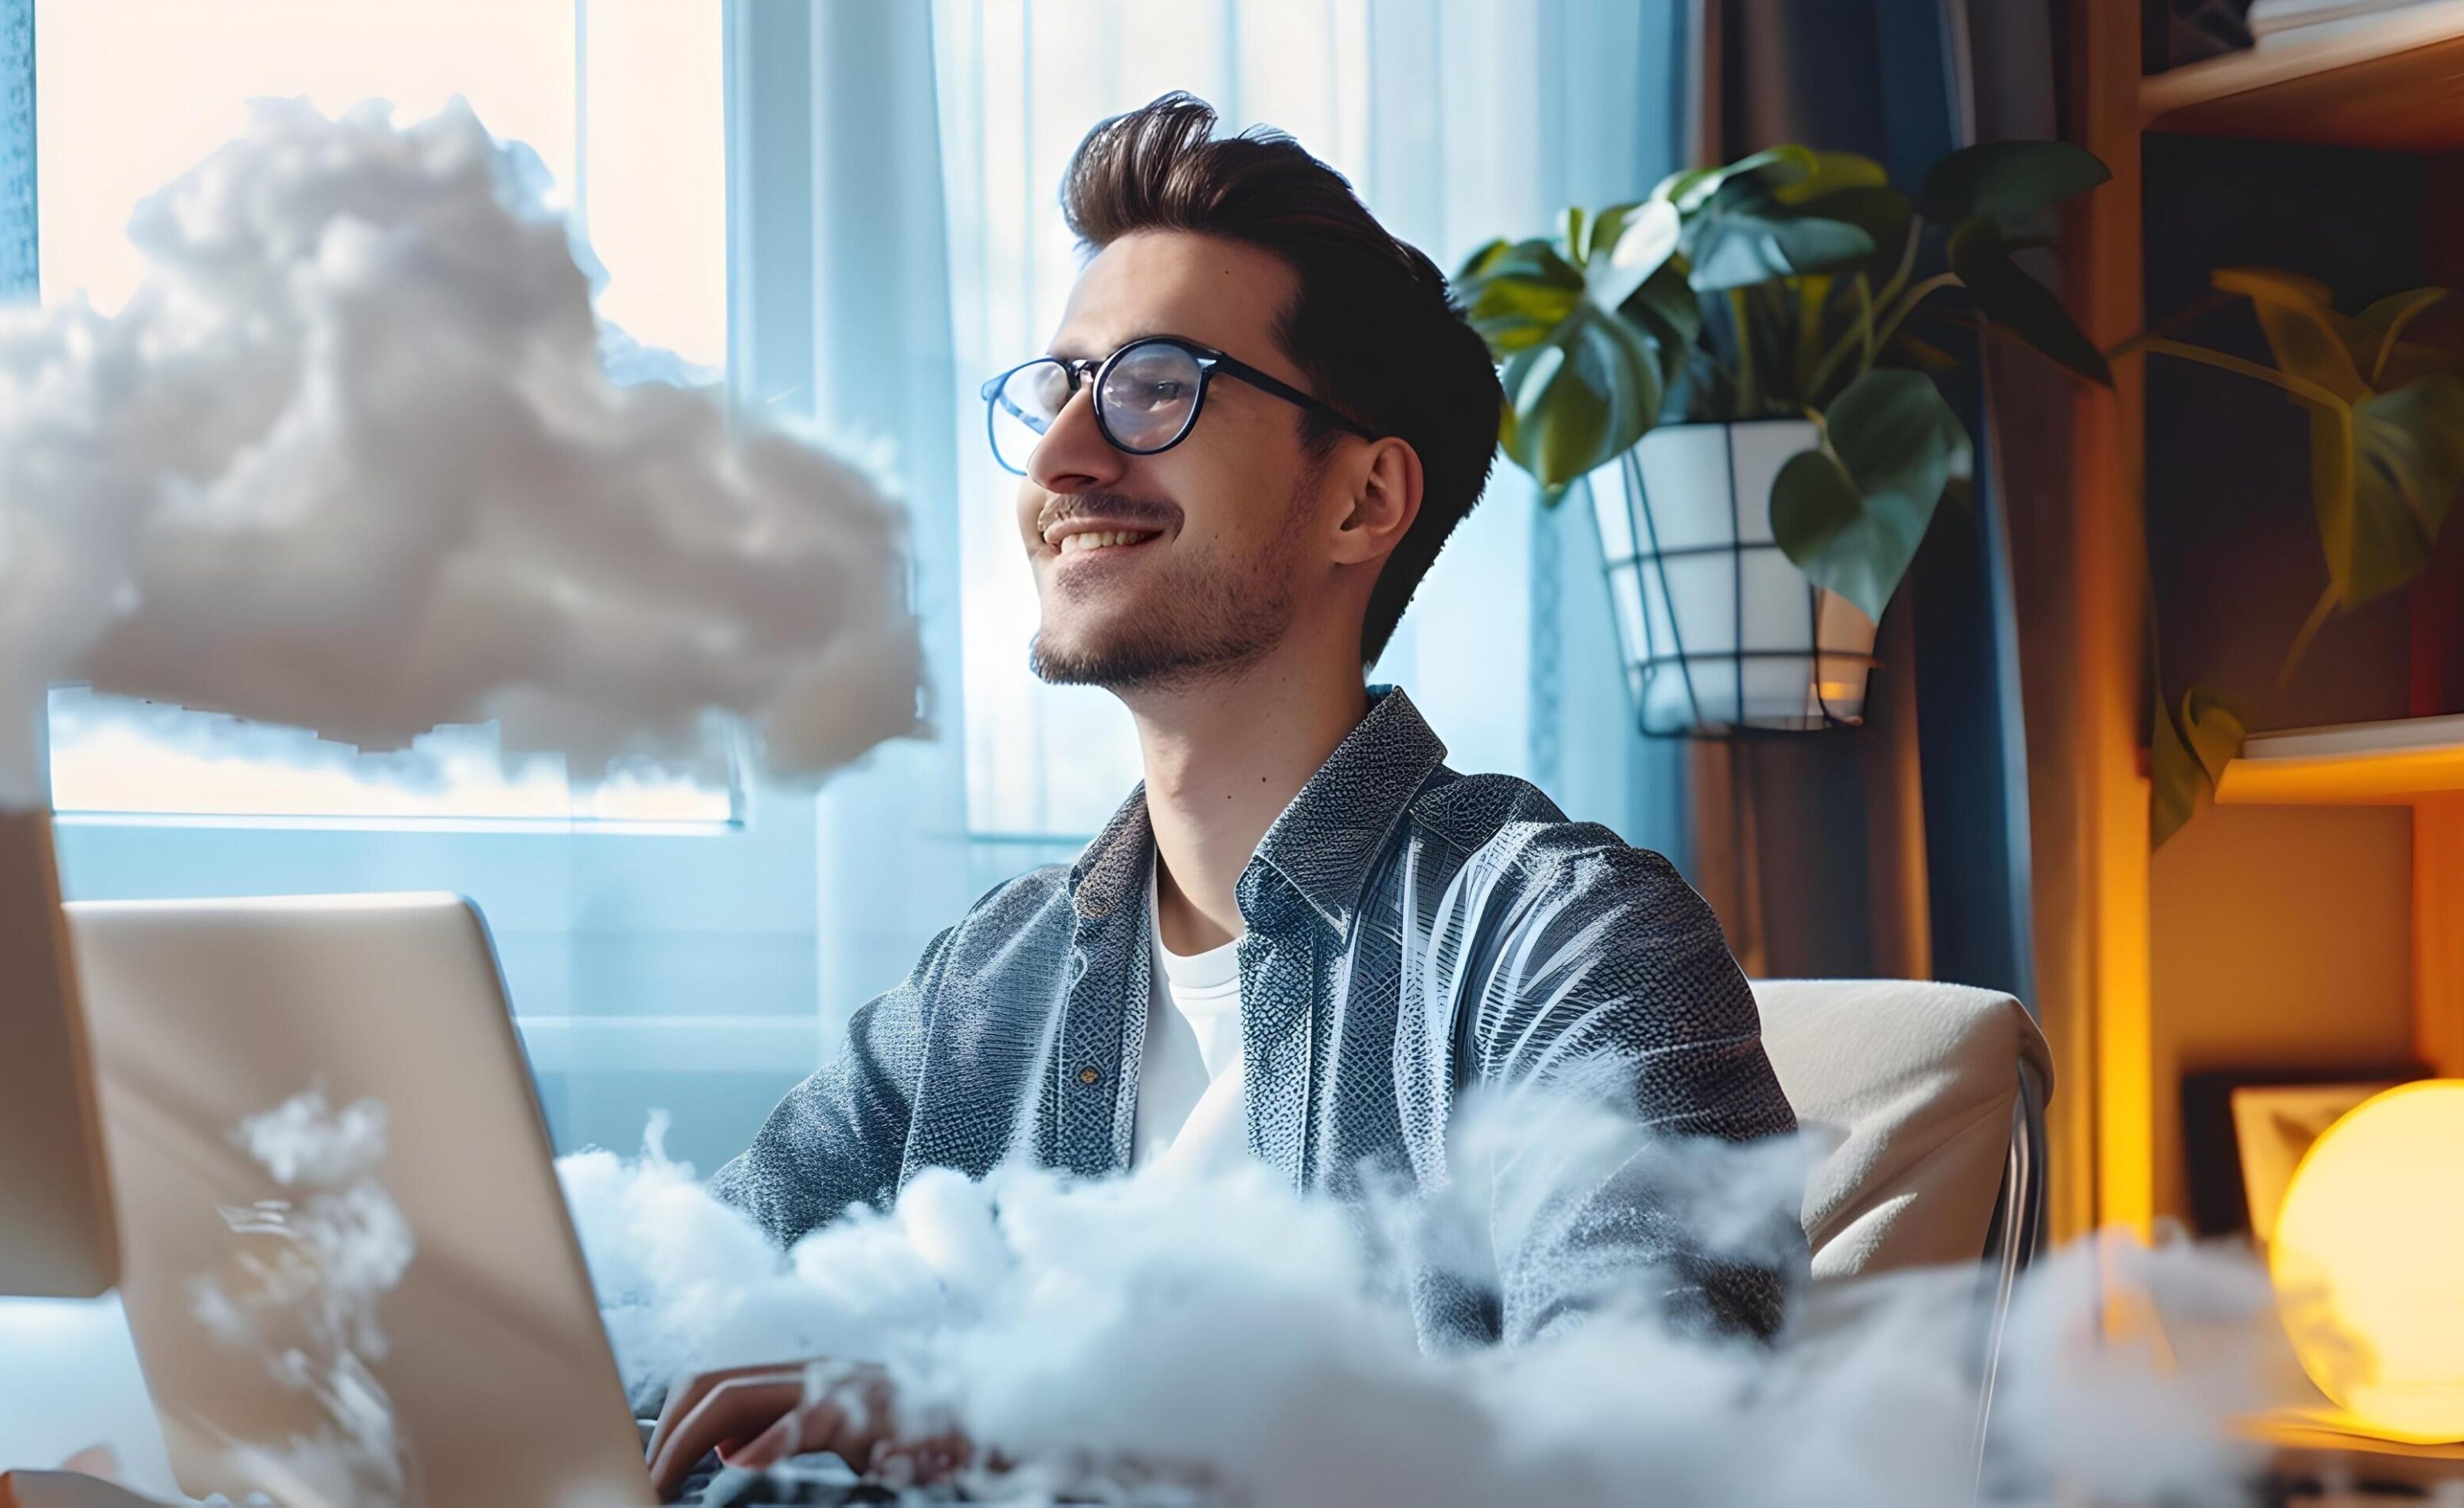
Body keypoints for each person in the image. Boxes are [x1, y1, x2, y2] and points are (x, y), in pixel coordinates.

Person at [655, 92, 1805, 1494]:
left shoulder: (1569, 949)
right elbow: (686, 1342)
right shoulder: (981, 990)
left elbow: (1642, 1448)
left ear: (1364, 500)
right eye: (1061, 387)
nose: (1062, 456)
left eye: (1154, 384)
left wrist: (1023, 1414)